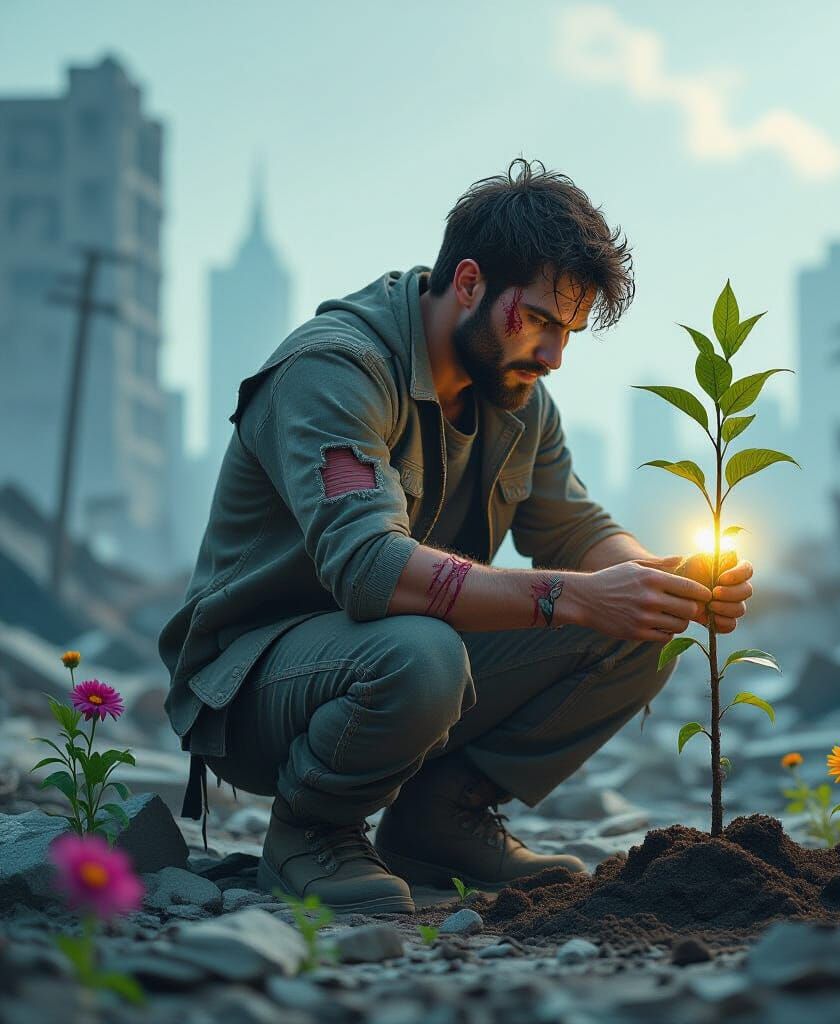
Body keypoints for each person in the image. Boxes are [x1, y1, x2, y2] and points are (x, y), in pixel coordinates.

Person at [158, 158, 754, 914]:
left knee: (638, 622)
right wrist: (578, 597)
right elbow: (371, 568)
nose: (554, 356)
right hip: (255, 686)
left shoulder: (515, 393)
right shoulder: (335, 369)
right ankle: (313, 829)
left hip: (394, 660)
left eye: (568, 333)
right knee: (424, 654)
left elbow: (575, 528)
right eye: (540, 321)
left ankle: (443, 819)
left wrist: (658, 580)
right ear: (468, 283)